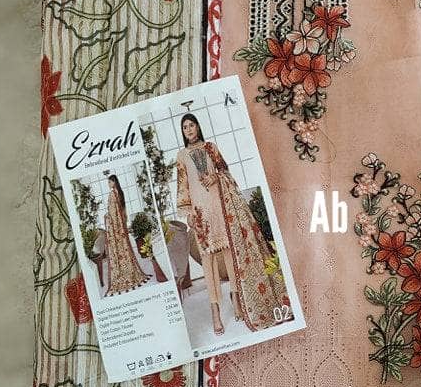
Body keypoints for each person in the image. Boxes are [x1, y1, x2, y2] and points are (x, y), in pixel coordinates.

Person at [175, 113, 290, 335]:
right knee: (207, 261)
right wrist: (188, 214)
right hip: (201, 214)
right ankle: (215, 311)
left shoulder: (211, 148)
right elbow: (182, 186)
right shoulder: (181, 156)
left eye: (191, 125)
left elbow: (225, 171)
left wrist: (216, 177)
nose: (188, 129)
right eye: (185, 127)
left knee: (230, 254)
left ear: (198, 127)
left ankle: (236, 299)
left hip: (222, 208)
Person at [104, 174, 150, 296]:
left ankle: (123, 273)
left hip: (116, 227)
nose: (108, 184)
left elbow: (112, 213)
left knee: (118, 249)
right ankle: (130, 271)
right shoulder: (120, 193)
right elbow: (123, 211)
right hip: (121, 225)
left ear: (114, 182)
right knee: (124, 248)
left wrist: (107, 217)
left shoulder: (112, 194)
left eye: (109, 182)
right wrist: (123, 223)